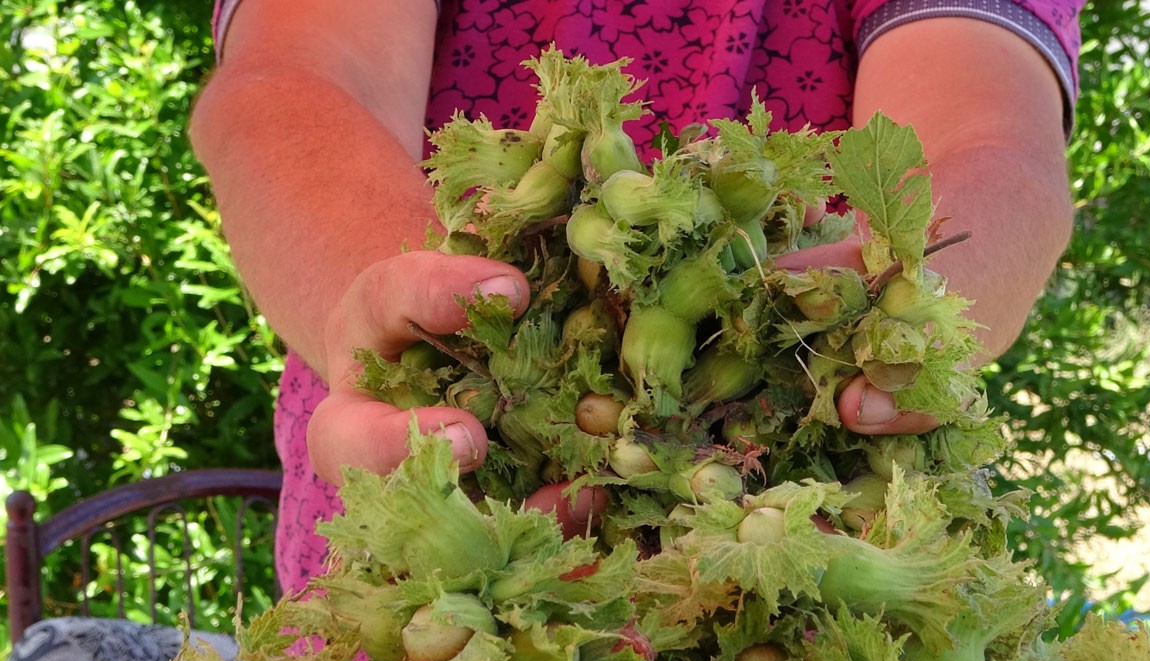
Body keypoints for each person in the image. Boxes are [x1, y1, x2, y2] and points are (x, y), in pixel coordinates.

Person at [189, 0, 1084, 596]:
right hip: (437, 536)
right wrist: (419, 314)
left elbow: (990, 142)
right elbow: (297, 79)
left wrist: (887, 306)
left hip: (813, 535)